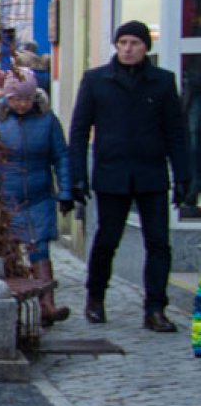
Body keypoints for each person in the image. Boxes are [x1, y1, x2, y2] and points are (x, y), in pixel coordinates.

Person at [71, 21, 189, 332]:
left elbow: (176, 133)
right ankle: (95, 297)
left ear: (145, 47)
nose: (127, 48)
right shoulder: (97, 80)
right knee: (106, 241)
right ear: (116, 45)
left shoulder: (162, 82)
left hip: (151, 174)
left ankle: (155, 308)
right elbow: (80, 131)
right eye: (122, 42)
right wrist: (77, 176)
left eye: (134, 43)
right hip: (112, 173)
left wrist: (184, 176)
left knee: (159, 244)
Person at [0, 69, 72, 326]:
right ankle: (8, 306)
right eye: (16, 99)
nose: (22, 105)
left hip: (39, 194)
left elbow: (61, 156)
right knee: (9, 250)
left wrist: (66, 190)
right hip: (6, 194)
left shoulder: (47, 120)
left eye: (26, 99)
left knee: (40, 247)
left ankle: (47, 304)